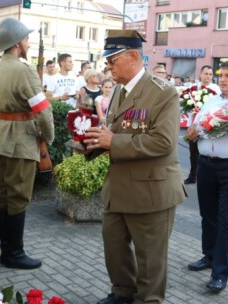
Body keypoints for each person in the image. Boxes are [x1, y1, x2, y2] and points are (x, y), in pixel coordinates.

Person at [83, 29, 186, 304]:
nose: (108, 66)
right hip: (119, 189)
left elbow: (163, 143)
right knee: (114, 247)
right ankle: (122, 293)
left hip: (151, 191)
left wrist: (113, 141)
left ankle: (147, 300)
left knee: (150, 259)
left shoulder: (164, 93)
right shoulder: (118, 90)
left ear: (132, 56)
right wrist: (95, 143)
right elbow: (115, 132)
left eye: (112, 60)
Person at [0, 18, 54, 269]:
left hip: (1, 134)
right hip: (19, 139)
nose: (28, 42)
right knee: (18, 196)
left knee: (3, 195)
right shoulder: (23, 69)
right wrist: (49, 136)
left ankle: (8, 250)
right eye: (26, 39)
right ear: (17, 43)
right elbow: (42, 109)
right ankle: (13, 254)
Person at [185, 60, 228, 293]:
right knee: (208, 215)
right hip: (207, 165)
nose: (222, 79)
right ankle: (210, 256)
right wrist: (193, 131)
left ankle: (220, 274)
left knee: (227, 221)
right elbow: (196, 127)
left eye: (227, 75)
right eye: (220, 75)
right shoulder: (212, 100)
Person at [184, 65, 221, 185]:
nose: (208, 76)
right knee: (193, 153)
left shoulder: (216, 90)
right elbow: (185, 105)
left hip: (208, 126)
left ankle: (204, 177)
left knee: (206, 154)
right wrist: (191, 108)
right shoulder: (192, 88)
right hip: (193, 125)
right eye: (206, 74)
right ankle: (192, 175)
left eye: (210, 74)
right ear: (200, 74)